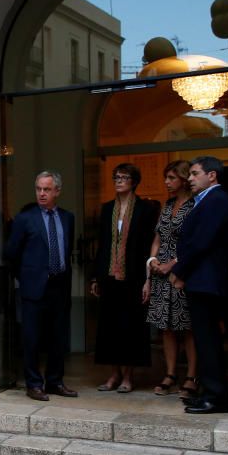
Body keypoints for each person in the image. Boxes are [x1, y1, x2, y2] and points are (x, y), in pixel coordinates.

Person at [4, 171, 78, 402]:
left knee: (58, 337)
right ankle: (34, 384)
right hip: (34, 287)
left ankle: (55, 381)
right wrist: (26, 278)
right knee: (32, 338)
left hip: (60, 285)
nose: (42, 193)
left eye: (47, 189)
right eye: (39, 189)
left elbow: (67, 249)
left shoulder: (68, 217)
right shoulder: (25, 219)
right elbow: (11, 253)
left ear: (57, 191)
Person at [171, 156, 228, 414]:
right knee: (204, 340)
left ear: (212, 176)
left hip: (206, 281)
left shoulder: (217, 200)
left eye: (195, 173)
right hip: (202, 280)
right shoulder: (208, 200)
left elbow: (201, 242)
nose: (190, 178)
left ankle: (215, 397)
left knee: (208, 341)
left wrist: (179, 271)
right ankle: (209, 392)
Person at [90, 163, 158, 393]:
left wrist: (148, 279)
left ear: (134, 181)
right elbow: (102, 245)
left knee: (131, 328)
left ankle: (128, 376)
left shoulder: (145, 209)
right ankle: (113, 375)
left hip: (134, 277)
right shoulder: (107, 208)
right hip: (109, 277)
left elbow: (150, 246)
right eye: (116, 177)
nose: (118, 181)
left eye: (124, 177)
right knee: (109, 328)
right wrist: (95, 277)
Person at [144, 160, 198, 397]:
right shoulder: (167, 205)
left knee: (187, 327)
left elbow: (195, 243)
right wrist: (152, 261)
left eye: (171, 178)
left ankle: (191, 376)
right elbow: (158, 237)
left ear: (184, 179)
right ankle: (170, 373)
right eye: (166, 177)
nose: (166, 182)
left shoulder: (195, 206)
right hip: (159, 274)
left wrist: (171, 264)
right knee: (165, 327)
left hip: (182, 271)